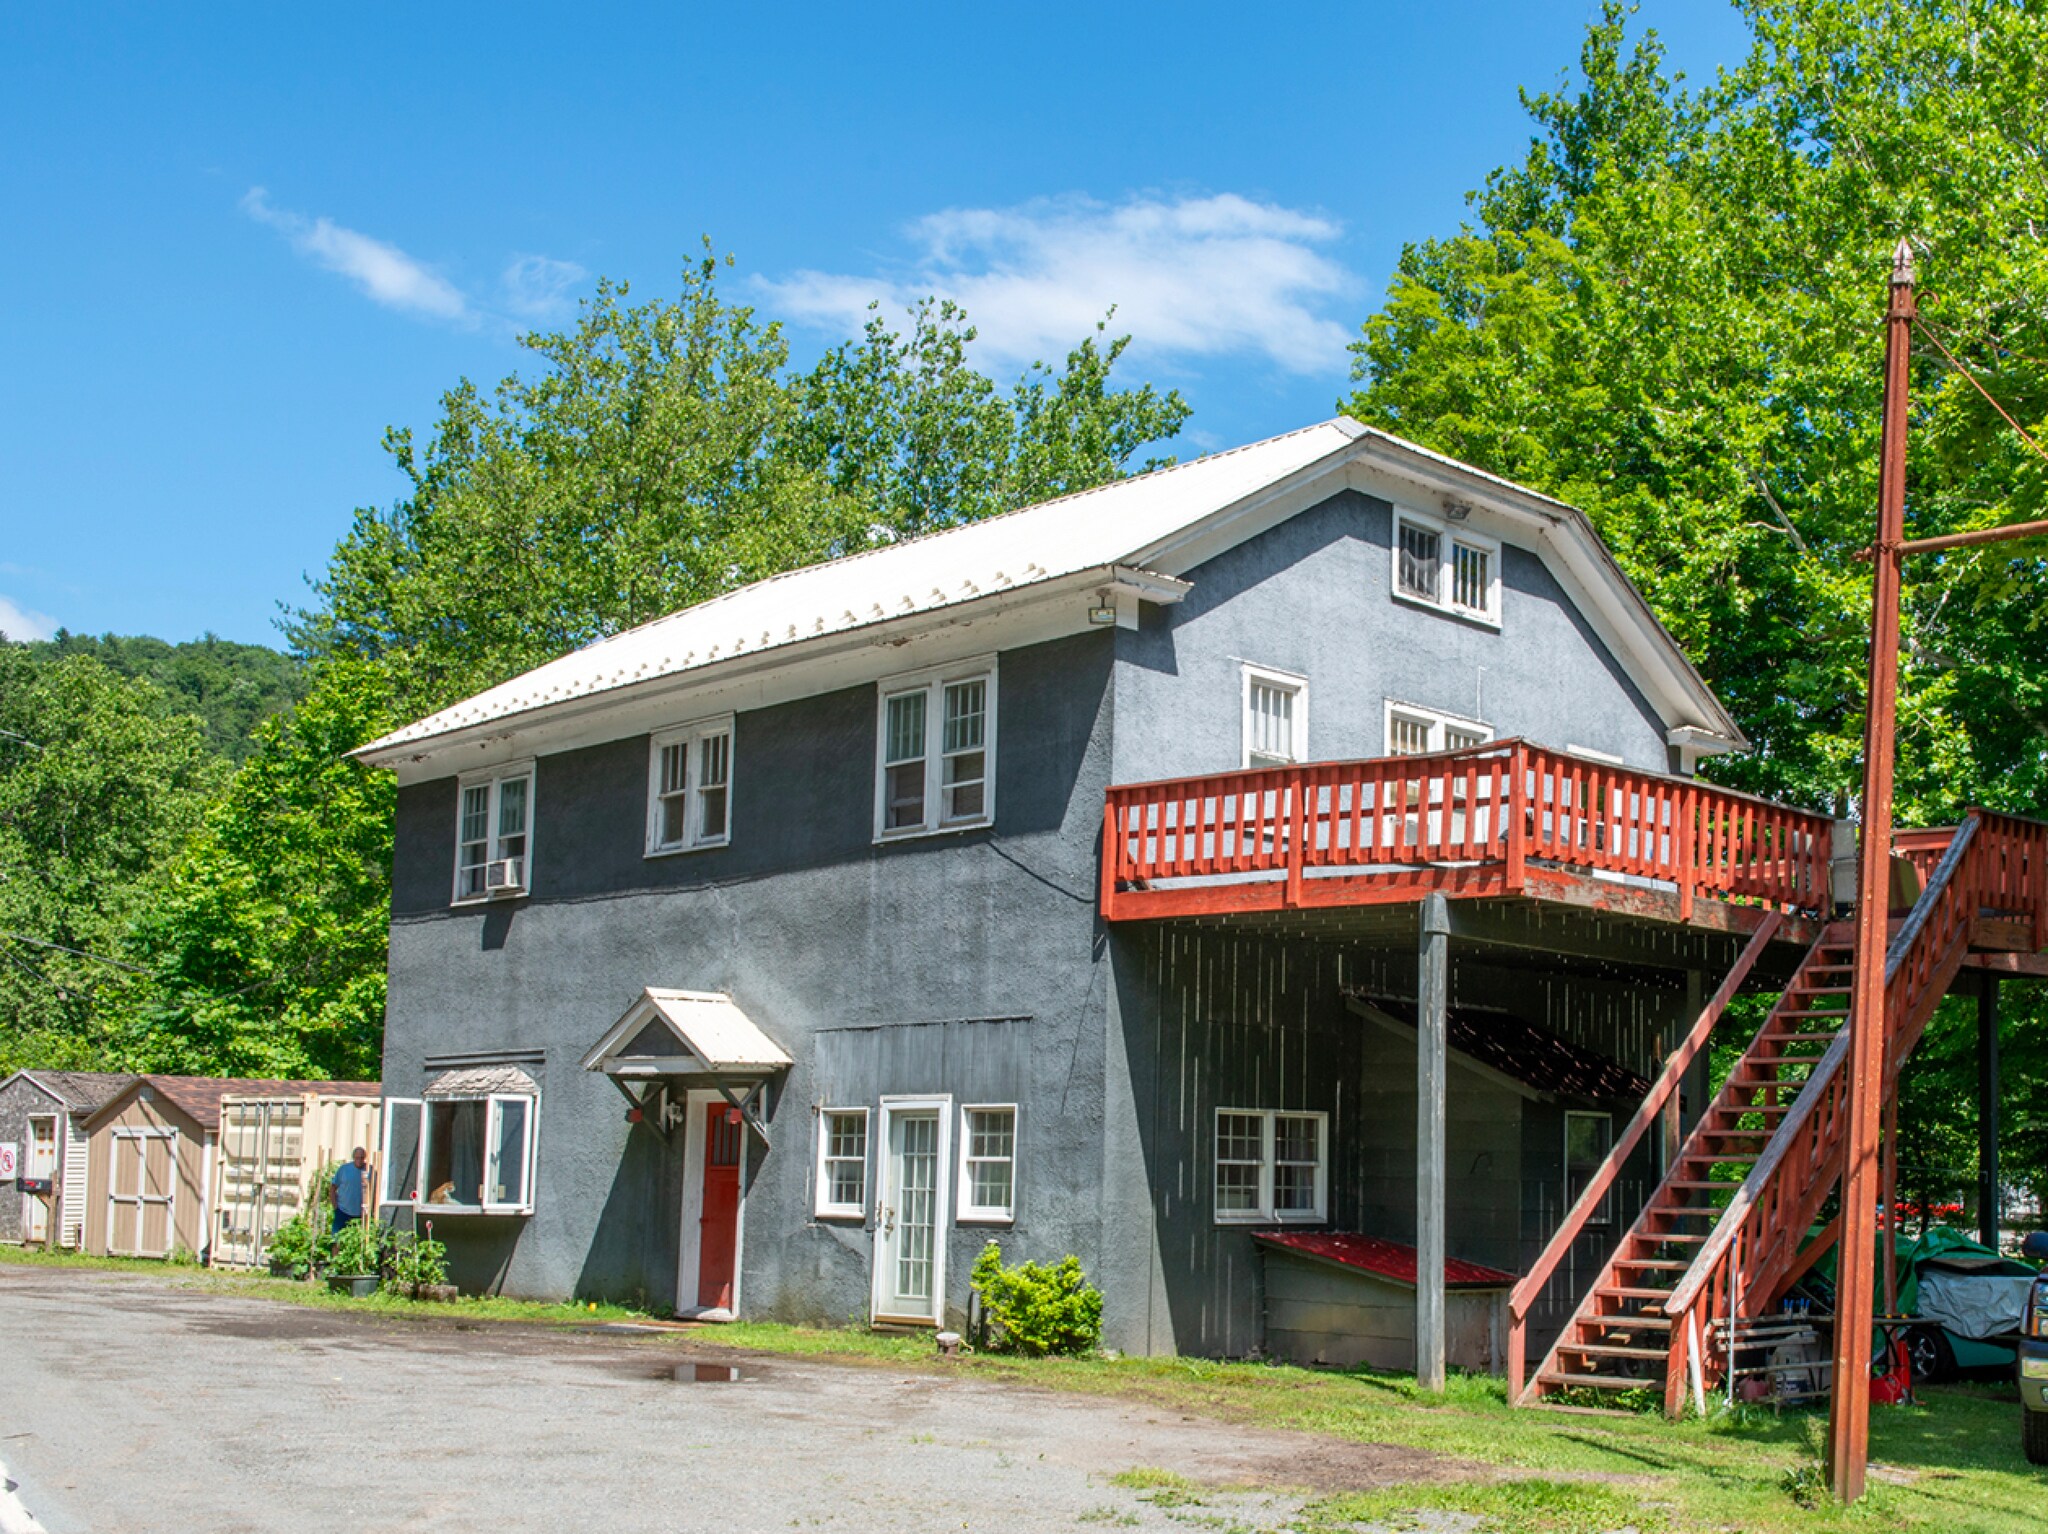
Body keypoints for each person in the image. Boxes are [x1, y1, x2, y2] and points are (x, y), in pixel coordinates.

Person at [330, 1146, 368, 1234]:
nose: (359, 1160)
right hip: (342, 1211)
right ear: (353, 1157)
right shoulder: (344, 1169)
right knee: (336, 1239)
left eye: (362, 1158)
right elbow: (332, 1188)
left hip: (360, 1213)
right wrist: (336, 1207)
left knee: (356, 1240)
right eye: (357, 1158)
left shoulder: (369, 1170)